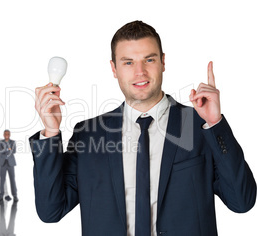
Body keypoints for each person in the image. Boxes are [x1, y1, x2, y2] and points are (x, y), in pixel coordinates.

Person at [29, 20, 256, 236]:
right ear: (114, 68)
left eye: (149, 60)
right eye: (128, 62)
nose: (140, 72)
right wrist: (50, 133)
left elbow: (242, 201)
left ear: (163, 62)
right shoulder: (88, 135)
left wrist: (215, 125)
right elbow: (51, 211)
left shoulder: (200, 126)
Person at [0, 130, 18, 202]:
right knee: (2, 180)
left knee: (12, 179)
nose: (6, 135)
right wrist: (7, 149)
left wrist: (7, 150)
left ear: (10, 134)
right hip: (2, 163)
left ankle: (15, 195)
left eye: (8, 134)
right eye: (5, 134)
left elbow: (14, 151)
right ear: (3, 134)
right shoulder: (0, 142)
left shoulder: (13, 142)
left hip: (10, 163)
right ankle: (1, 195)